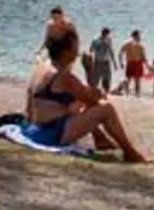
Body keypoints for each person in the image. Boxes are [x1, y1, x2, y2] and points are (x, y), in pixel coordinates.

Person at [25, 27, 147, 162]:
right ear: (65, 52)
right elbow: (93, 100)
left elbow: (30, 103)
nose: (77, 53)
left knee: (77, 102)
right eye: (75, 48)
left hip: (36, 129)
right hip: (52, 134)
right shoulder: (63, 77)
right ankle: (130, 152)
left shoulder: (43, 66)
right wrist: (89, 70)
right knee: (106, 109)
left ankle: (100, 138)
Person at [86, 27, 116, 93]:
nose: (107, 35)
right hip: (98, 61)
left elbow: (111, 51)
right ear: (104, 33)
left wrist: (114, 62)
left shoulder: (109, 40)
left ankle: (106, 91)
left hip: (106, 61)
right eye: (107, 34)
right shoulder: (96, 39)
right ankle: (94, 90)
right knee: (96, 77)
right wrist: (89, 60)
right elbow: (91, 50)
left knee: (107, 77)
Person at [119, 30, 146, 97]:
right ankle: (137, 95)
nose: (140, 37)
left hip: (130, 62)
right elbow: (143, 57)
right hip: (138, 63)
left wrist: (121, 62)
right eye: (139, 35)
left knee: (128, 79)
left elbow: (120, 54)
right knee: (137, 81)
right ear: (136, 36)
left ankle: (127, 94)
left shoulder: (126, 43)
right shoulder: (140, 45)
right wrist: (147, 66)